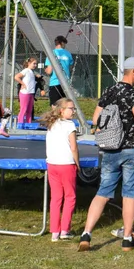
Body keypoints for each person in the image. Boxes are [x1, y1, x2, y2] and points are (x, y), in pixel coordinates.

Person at [79, 57, 134, 253]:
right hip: (131, 149)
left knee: (102, 192)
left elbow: (95, 119)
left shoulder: (109, 91)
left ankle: (86, 234)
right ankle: (127, 239)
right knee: (129, 193)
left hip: (110, 148)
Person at [42, 98, 80, 242]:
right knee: (70, 196)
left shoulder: (52, 124)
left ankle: (54, 232)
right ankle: (65, 230)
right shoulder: (70, 125)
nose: (73, 111)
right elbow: (74, 148)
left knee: (56, 198)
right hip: (66, 164)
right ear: (61, 110)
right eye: (71, 108)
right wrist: (78, 163)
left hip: (52, 164)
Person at [43, 36, 75, 106]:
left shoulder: (52, 53)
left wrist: (45, 69)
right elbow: (70, 67)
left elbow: (49, 71)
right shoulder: (68, 54)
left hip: (55, 82)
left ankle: (56, 117)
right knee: (63, 105)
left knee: (55, 105)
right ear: (62, 43)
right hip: (66, 82)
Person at [14, 57, 38, 125]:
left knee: (29, 110)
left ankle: (28, 123)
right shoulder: (26, 70)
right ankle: (20, 123)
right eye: (34, 63)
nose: (35, 65)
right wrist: (23, 84)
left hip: (30, 93)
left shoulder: (31, 72)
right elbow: (16, 77)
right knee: (23, 109)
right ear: (29, 63)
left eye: (36, 64)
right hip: (25, 93)